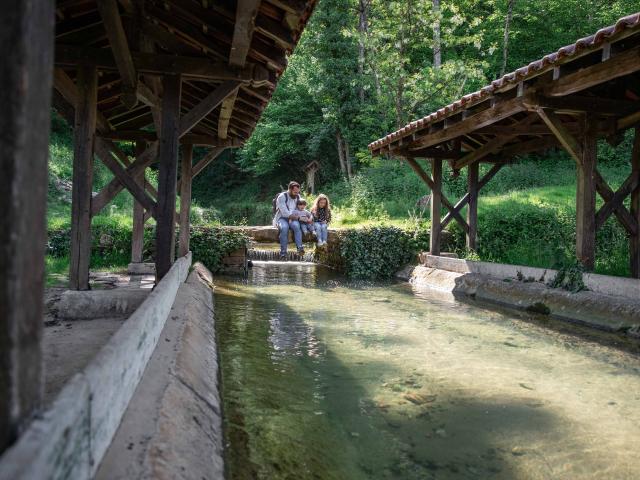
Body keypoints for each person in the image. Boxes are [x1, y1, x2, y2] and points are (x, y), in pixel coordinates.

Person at [273, 181, 304, 258]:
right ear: (289, 189)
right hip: (282, 218)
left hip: (293, 218)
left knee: (297, 226)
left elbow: (300, 209)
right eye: (295, 192)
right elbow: (284, 213)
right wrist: (298, 217)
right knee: (284, 228)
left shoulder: (298, 196)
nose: (297, 193)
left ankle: (300, 248)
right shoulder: (282, 197)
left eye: (298, 192)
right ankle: (283, 253)